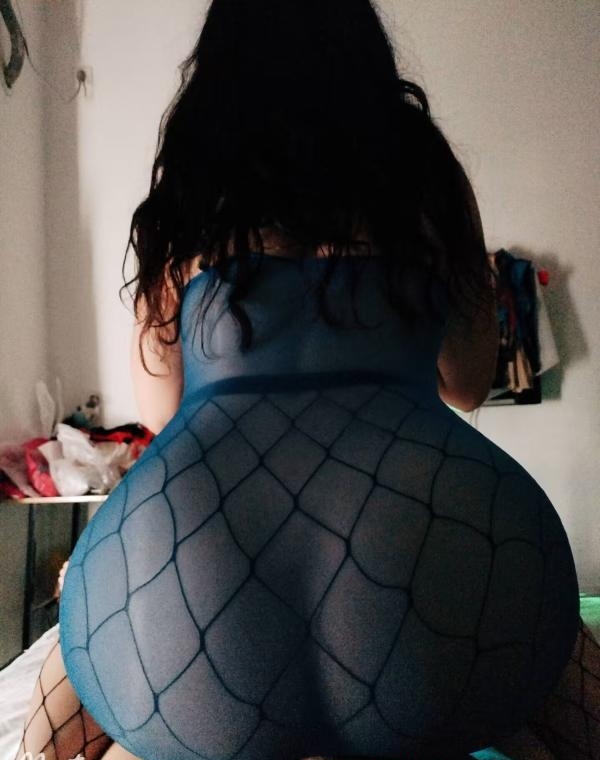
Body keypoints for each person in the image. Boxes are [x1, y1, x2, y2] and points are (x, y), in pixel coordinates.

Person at [13, 1, 599, 760]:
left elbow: (161, 407)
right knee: (544, 672)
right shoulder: (424, 177)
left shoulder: (191, 188)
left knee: (58, 730)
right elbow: (466, 379)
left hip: (205, 552)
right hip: (429, 535)